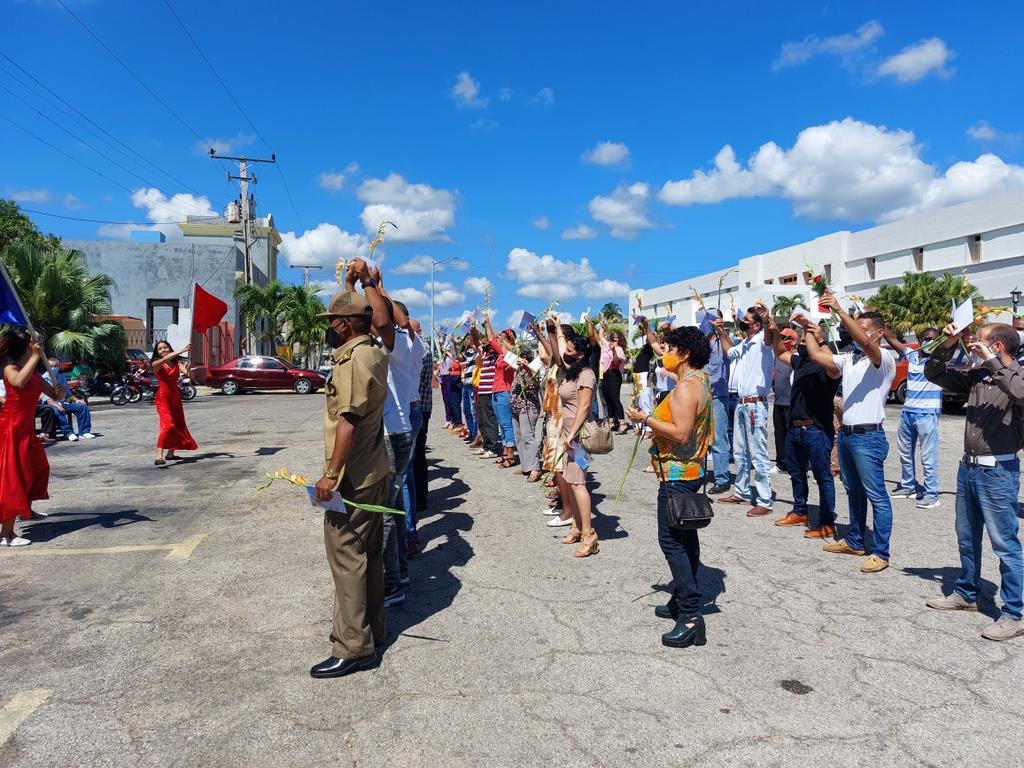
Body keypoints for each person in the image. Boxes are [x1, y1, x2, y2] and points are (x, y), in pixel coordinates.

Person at [924, 322, 1024, 641]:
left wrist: (993, 362)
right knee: (966, 536)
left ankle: (1013, 613)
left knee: (1004, 543)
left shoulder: (1017, 373)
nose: (973, 344)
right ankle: (967, 592)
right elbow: (933, 373)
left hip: (998, 470)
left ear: (996, 346)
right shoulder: (978, 374)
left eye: (979, 341)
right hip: (968, 468)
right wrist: (949, 342)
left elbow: (1019, 392)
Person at [309, 291, 390, 678]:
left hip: (353, 477)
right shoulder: (373, 352)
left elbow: (349, 420)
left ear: (343, 324)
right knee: (368, 555)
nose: (328, 327)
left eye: (331, 321)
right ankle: (372, 629)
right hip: (374, 469)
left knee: (345, 556)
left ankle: (354, 646)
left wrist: (330, 475)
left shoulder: (354, 360)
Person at [626, 326, 713, 649]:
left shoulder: (687, 388)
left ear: (685, 353)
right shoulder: (697, 380)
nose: (665, 352)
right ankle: (681, 598)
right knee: (685, 537)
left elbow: (680, 433)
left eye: (670, 347)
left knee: (672, 542)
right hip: (687, 471)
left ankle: (690, 616)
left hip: (678, 473)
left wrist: (645, 418)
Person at [802, 296, 895, 573]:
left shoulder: (883, 358)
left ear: (878, 333)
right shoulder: (851, 359)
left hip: (869, 437)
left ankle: (880, 551)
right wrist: (809, 328)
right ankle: (855, 540)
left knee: (876, 495)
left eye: (862, 328)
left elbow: (866, 344)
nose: (855, 332)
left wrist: (841, 310)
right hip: (847, 436)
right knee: (853, 491)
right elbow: (817, 356)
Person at [350, 259, 417, 607]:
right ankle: (400, 572)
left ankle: (391, 583)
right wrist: (357, 286)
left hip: (393, 433)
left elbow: (378, 319)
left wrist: (367, 282)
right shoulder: (399, 337)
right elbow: (353, 324)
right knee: (391, 508)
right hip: (396, 429)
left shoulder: (399, 341)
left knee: (384, 513)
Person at [772, 321, 840, 538]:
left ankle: (827, 522)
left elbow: (834, 365)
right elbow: (779, 351)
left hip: (816, 430)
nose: (802, 342)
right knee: (796, 473)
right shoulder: (800, 362)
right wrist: (771, 327)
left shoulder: (827, 366)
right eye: (801, 339)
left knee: (822, 477)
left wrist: (817, 337)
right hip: (795, 429)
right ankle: (800, 511)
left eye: (805, 339)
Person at [713, 302, 778, 517]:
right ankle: (741, 491)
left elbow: (770, 335)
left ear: (757, 325)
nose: (743, 323)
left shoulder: (762, 341)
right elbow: (729, 351)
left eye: (747, 321)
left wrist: (767, 318)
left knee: (758, 453)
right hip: (741, 402)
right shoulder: (746, 343)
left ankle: (764, 499)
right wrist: (721, 331)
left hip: (755, 403)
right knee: (740, 451)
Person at [1, 331, 60, 547]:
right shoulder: (11, 368)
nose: (36, 344)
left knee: (38, 469)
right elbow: (17, 383)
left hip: (26, 430)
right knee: (13, 479)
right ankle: (5, 534)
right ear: (25, 347)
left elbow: (53, 394)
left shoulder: (33, 372)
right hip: (11, 430)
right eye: (32, 343)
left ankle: (25, 510)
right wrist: (36, 356)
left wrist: (59, 392)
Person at [549, 328, 599, 557]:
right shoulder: (573, 371)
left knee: (578, 483)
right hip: (568, 434)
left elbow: (585, 407)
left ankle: (589, 535)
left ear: (579, 354)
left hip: (577, 437)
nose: (565, 353)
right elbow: (558, 351)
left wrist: (571, 436)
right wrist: (556, 330)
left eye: (570, 350)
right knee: (570, 480)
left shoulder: (586, 374)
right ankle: (577, 526)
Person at [885, 327, 942, 508]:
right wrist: (872, 317)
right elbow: (892, 338)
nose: (929, 341)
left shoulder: (938, 360)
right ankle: (908, 486)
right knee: (904, 452)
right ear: (919, 339)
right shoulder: (911, 355)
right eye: (926, 338)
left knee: (928, 456)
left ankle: (931, 493)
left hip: (927, 414)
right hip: (907, 412)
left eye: (933, 339)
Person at [150, 340, 197, 465]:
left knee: (178, 424)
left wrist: (189, 369)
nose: (163, 350)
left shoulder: (176, 362)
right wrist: (182, 350)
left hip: (175, 396)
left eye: (165, 348)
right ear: (157, 352)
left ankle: (170, 454)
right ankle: (159, 456)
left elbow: (190, 376)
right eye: (160, 349)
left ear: (169, 348)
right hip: (163, 397)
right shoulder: (156, 363)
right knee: (167, 425)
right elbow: (163, 360)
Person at [702, 310, 732, 495]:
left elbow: (731, 351)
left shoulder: (722, 342)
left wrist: (722, 331)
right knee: (701, 437)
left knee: (719, 438)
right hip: (702, 395)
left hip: (718, 396)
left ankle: (722, 478)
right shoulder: (703, 344)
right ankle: (701, 472)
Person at [482, 315, 518, 469]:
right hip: (496, 391)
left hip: (505, 391)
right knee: (501, 425)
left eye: (504, 337)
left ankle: (510, 455)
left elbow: (513, 352)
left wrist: (503, 341)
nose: (500, 339)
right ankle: (505, 452)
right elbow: (490, 339)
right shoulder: (501, 354)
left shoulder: (513, 354)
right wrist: (487, 322)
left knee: (506, 424)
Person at [409, 320, 433, 535]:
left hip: (420, 405)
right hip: (419, 405)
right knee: (416, 455)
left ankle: (421, 498)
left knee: (417, 455)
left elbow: (416, 381)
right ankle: (419, 497)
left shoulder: (421, 349)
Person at [41, 357, 95, 441]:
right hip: (51, 404)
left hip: (63, 401)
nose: (53, 368)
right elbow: (48, 400)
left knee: (82, 406)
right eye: (51, 366)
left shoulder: (61, 377)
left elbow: (67, 394)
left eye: (55, 366)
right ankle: (68, 433)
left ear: (59, 366)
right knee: (57, 410)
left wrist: (76, 400)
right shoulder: (44, 378)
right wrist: (59, 406)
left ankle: (84, 432)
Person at [511, 347, 543, 483]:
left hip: (528, 407)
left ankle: (535, 468)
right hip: (516, 406)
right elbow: (505, 351)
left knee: (528, 436)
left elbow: (536, 383)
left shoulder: (536, 365)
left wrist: (528, 367)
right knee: (519, 437)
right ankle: (526, 467)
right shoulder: (517, 368)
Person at [771, 329, 796, 473]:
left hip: (791, 403)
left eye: (786, 338)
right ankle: (781, 463)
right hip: (778, 401)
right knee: (779, 434)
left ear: (793, 340)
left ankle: (795, 466)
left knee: (792, 436)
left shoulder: (795, 357)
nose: (783, 341)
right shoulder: (778, 357)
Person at [459, 337, 478, 443]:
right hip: (465, 384)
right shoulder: (467, 352)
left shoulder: (476, 352)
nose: (466, 342)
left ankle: (475, 435)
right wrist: (458, 345)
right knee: (465, 409)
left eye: (468, 340)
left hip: (472, 384)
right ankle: (471, 432)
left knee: (473, 411)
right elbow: (459, 358)